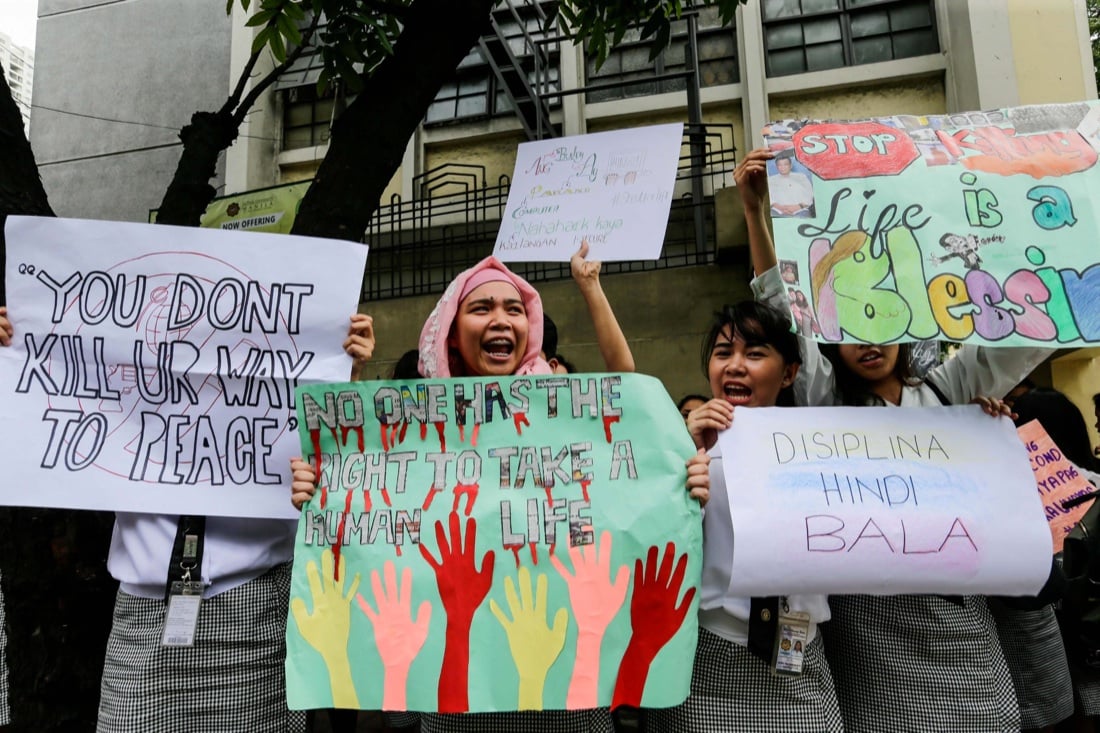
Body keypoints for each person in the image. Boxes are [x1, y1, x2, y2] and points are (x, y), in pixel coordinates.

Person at [291, 255, 707, 732]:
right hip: (457, 700)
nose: (501, 319)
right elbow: (363, 481)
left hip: (563, 689)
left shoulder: (565, 413)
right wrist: (322, 487)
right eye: (482, 307)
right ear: (451, 331)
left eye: (514, 309)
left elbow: (627, 408)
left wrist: (683, 482)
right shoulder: (418, 428)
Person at [738, 146, 1056, 732]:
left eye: (881, 318)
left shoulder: (949, 389)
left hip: (964, 634)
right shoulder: (827, 406)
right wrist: (755, 214)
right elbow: (780, 310)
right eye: (852, 326)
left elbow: (1025, 330)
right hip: (875, 643)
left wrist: (1055, 244)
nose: (869, 340)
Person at [648, 300, 842, 732]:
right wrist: (679, 452)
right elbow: (647, 547)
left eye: (754, 354)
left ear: (789, 373)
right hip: (713, 660)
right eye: (723, 353)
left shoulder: (824, 446)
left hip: (801, 660)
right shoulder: (683, 446)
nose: (735, 366)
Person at [768, 153, 814, 218]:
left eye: (785, 164)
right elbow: (768, 197)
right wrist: (779, 207)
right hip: (776, 211)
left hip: (800, 210)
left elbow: (810, 195)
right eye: (779, 165)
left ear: (791, 165)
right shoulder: (771, 180)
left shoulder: (801, 177)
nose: (782, 167)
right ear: (776, 167)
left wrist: (798, 207)